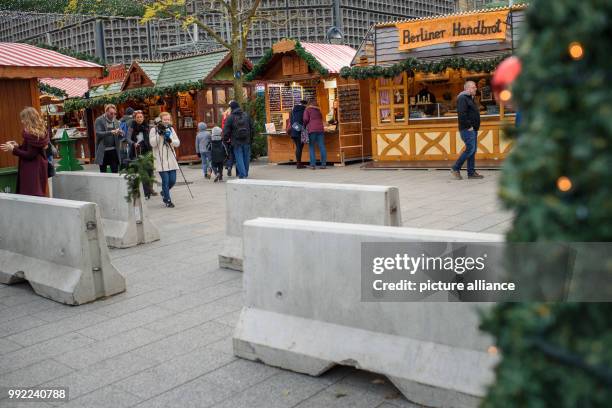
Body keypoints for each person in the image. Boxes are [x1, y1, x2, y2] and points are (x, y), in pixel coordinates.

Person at [0, 107, 50, 197]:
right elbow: (31, 150)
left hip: (32, 171)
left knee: (31, 197)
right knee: (37, 195)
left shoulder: (31, 134)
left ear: (28, 119)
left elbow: (30, 155)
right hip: (38, 168)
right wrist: (18, 146)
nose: (22, 121)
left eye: (23, 119)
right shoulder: (38, 133)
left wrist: (13, 149)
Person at [451, 81, 484, 180]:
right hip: (467, 129)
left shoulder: (470, 98)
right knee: (470, 149)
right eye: (473, 87)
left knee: (472, 151)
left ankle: (471, 172)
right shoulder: (462, 98)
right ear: (467, 88)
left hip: (472, 129)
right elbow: (462, 114)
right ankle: (455, 168)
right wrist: (469, 126)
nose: (475, 89)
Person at [149, 112, 180, 208]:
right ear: (160, 119)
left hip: (171, 159)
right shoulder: (154, 130)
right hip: (160, 160)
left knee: (172, 181)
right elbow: (152, 143)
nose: (166, 121)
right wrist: (159, 135)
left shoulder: (171, 129)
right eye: (164, 119)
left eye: (168, 119)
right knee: (165, 181)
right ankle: (167, 200)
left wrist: (170, 139)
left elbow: (177, 143)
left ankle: (163, 192)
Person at [126, 110, 156, 199]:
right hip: (137, 150)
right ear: (135, 118)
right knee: (143, 171)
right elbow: (127, 138)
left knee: (150, 171)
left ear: (143, 118)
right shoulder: (132, 127)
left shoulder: (147, 127)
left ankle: (149, 189)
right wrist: (133, 143)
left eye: (141, 117)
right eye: (137, 117)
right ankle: (146, 193)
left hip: (148, 150)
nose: (139, 119)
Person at [222, 100, 254, 179]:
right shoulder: (246, 115)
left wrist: (225, 139)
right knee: (246, 158)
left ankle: (242, 175)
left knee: (239, 158)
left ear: (231, 108)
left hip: (236, 142)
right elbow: (252, 128)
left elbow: (226, 130)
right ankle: (245, 173)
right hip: (247, 140)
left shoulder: (230, 117)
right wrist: (251, 139)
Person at [94, 104, 123, 173]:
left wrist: (121, 133)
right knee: (103, 172)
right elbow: (98, 133)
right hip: (103, 150)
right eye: (111, 113)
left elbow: (119, 136)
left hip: (113, 150)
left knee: (115, 171)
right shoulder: (99, 120)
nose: (113, 115)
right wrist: (110, 132)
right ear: (106, 112)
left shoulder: (116, 121)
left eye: (114, 113)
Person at [303, 99, 327, 169]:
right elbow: (321, 119)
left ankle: (313, 164)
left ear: (309, 104)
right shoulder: (318, 110)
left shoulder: (307, 110)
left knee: (311, 146)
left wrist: (304, 126)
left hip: (312, 129)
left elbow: (305, 119)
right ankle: (323, 164)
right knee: (322, 146)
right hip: (320, 129)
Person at [289, 99, 307, 169]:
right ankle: (299, 164)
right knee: (299, 147)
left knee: (298, 147)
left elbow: (290, 121)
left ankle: (298, 163)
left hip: (293, 131)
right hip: (300, 131)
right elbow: (305, 120)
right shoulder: (304, 110)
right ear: (305, 104)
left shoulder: (293, 110)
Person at [221, 106, 234, 177]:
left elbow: (223, 128)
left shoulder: (224, 117)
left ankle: (227, 165)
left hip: (225, 137)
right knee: (231, 153)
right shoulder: (232, 117)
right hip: (231, 137)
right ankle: (229, 167)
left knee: (226, 152)